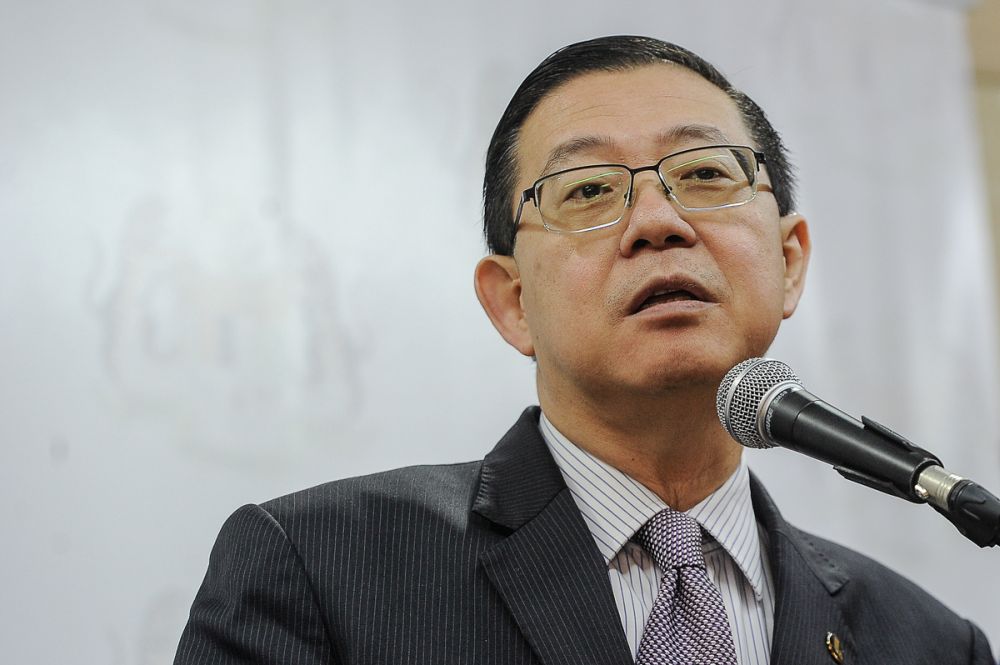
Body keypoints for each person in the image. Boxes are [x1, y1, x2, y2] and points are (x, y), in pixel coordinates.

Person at [174, 36, 993, 664]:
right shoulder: (322, 571)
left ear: (788, 261)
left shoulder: (923, 641)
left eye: (706, 173)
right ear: (512, 301)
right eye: (589, 190)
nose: (658, 223)